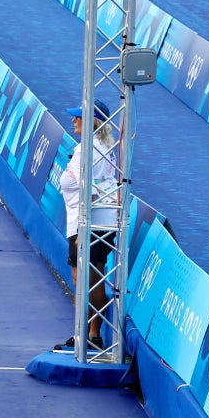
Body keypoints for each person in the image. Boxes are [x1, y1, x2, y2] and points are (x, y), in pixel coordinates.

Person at [55, 100, 119, 352]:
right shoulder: (96, 147)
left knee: (85, 279)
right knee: (90, 278)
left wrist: (84, 228)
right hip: (90, 223)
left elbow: (90, 192)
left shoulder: (92, 150)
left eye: (78, 117)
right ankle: (90, 334)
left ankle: (88, 334)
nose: (73, 120)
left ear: (93, 121)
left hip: (89, 224)